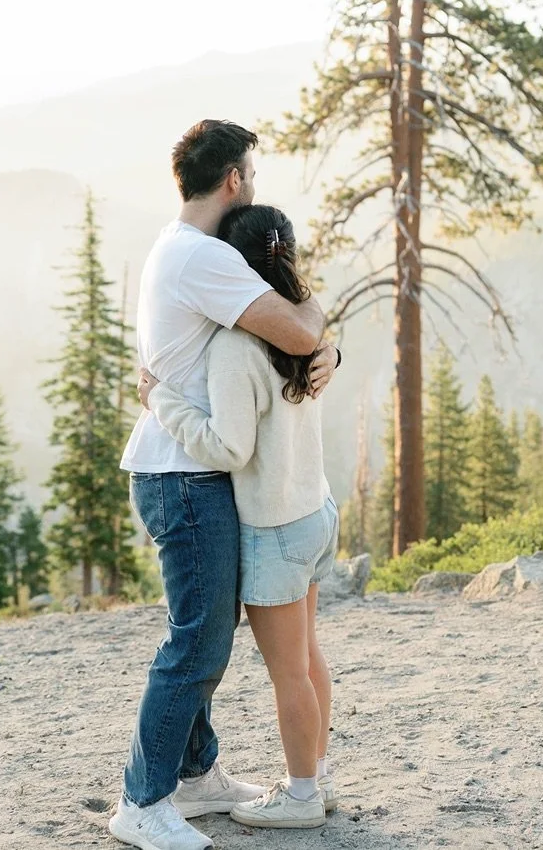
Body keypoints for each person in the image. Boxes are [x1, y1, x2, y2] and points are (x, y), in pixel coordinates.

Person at [109, 120, 339, 850]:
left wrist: (323, 341)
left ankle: (197, 773)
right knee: (197, 646)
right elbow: (298, 322)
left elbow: (298, 321)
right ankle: (142, 801)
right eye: (253, 173)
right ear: (234, 180)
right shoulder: (204, 258)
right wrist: (321, 338)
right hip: (183, 472)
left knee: (205, 634)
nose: (254, 185)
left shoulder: (182, 248)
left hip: (193, 466)